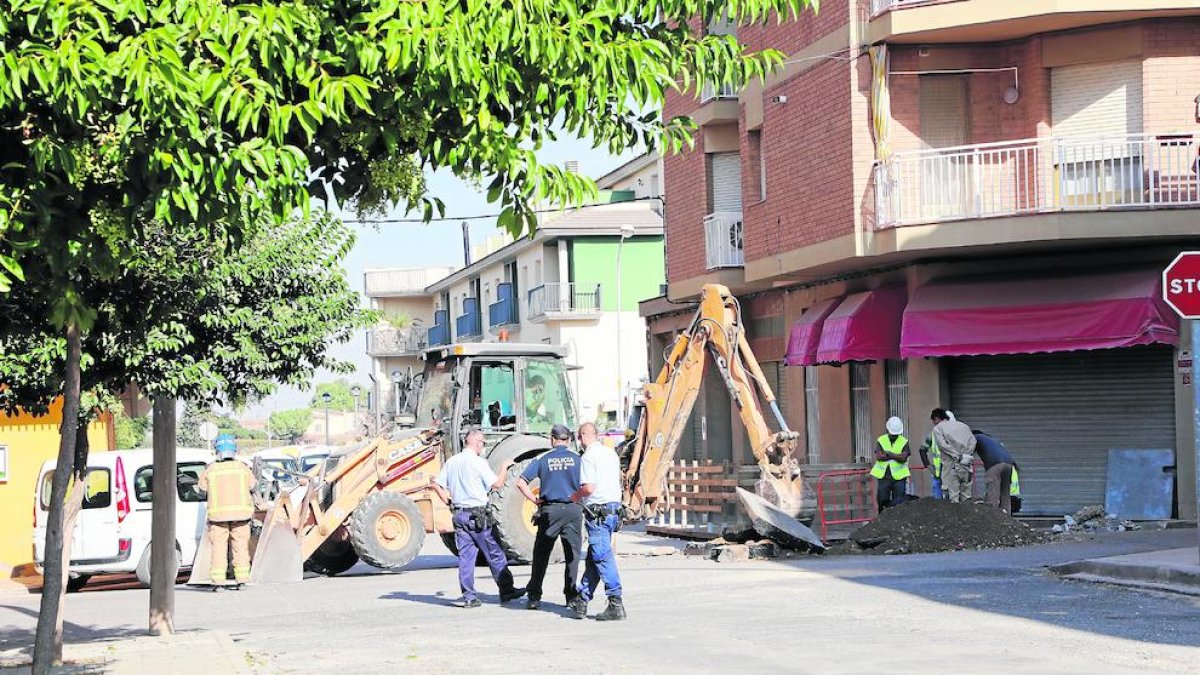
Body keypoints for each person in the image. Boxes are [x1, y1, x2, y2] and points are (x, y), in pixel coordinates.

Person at [430, 427, 525, 608]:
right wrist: (505, 466)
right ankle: (507, 590)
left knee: (466, 558)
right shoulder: (478, 462)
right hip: (478, 516)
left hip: (459, 515)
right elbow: (497, 484)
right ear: (475, 442)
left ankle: (469, 597)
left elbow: (436, 484)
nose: (482, 446)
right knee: (495, 553)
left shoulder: (452, 462)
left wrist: (449, 503)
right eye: (482, 443)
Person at [517, 424, 583, 611]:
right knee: (572, 555)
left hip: (549, 511)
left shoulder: (543, 458)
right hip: (572, 510)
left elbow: (520, 482)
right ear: (568, 440)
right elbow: (587, 485)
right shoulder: (578, 459)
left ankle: (534, 596)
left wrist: (535, 500)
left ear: (552, 439)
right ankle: (571, 597)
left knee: (541, 555)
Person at [569, 422, 625, 621]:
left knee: (601, 556)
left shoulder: (588, 457)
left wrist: (575, 497)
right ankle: (582, 600)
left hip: (598, 513)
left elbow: (589, 488)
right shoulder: (610, 453)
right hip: (613, 511)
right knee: (594, 557)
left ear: (582, 437)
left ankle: (615, 602)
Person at [197, 434, 258, 588]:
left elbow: (202, 488)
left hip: (218, 517)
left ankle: (218, 582)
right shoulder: (243, 468)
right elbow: (253, 486)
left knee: (218, 548)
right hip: (241, 516)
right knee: (240, 547)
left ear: (217, 450)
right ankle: (242, 579)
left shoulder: (211, 469)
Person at [930, 408, 977, 504]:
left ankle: (957, 518)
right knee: (966, 496)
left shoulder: (938, 428)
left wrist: (957, 455)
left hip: (952, 466)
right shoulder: (963, 426)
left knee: (953, 498)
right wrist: (966, 455)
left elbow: (943, 446)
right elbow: (973, 441)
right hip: (967, 465)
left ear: (936, 418)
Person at [871, 417, 911, 511]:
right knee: (882, 500)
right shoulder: (881, 440)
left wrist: (889, 454)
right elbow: (879, 457)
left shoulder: (904, 441)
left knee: (899, 503)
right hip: (884, 477)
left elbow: (903, 458)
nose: (894, 436)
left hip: (899, 478)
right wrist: (897, 456)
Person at [972, 430, 1016, 513]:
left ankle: (991, 517)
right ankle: (1006, 517)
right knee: (1005, 494)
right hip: (1009, 464)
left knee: (992, 492)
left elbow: (969, 451)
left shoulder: (976, 437)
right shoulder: (992, 439)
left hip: (995, 464)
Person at [917, 427, 943, 500]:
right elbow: (922, 450)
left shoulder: (955, 436)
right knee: (938, 502)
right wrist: (928, 465)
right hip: (938, 475)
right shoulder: (933, 435)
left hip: (952, 476)